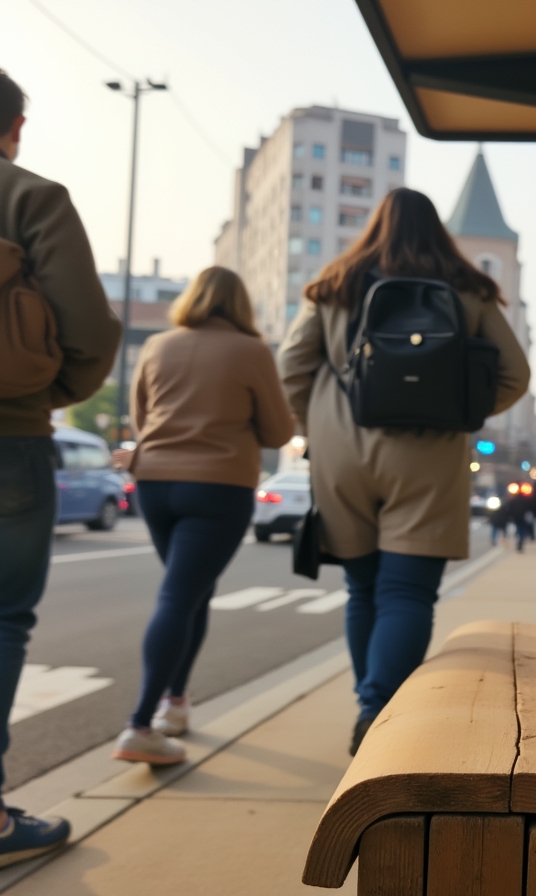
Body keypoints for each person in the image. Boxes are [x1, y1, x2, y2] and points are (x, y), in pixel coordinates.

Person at [278, 188, 530, 756]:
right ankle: (378, 709)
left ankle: (366, 700)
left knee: (361, 586)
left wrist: (315, 426)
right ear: (438, 231)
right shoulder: (469, 290)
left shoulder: (332, 286)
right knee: (408, 593)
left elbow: (292, 367)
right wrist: (459, 408)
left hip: (343, 448)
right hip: (430, 452)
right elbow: (513, 374)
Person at [0, 70, 121, 866]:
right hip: (8, 438)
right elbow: (89, 330)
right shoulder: (29, 196)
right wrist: (51, 393)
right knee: (2, 617)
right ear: (11, 126)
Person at [110, 267, 295, 765]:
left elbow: (140, 419)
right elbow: (278, 432)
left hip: (154, 483)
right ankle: (141, 724)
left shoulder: (158, 346)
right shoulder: (252, 351)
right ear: (240, 305)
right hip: (219, 484)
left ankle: (176, 704)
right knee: (180, 594)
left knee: (192, 591)